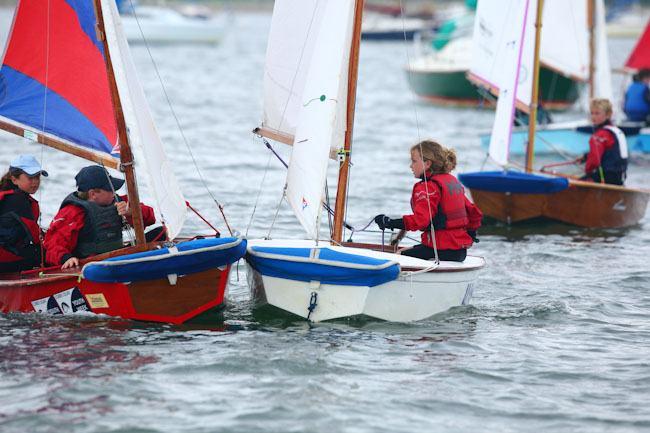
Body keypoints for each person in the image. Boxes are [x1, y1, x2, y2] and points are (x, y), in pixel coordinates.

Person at [373, 140, 482, 262]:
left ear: (427, 164)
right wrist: (470, 236)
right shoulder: (452, 182)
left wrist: (389, 222)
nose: (411, 166)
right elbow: (475, 214)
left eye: (414, 161)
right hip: (460, 252)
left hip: (440, 250)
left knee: (398, 257)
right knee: (405, 251)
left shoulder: (427, 187)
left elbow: (421, 221)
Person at [44, 165, 164, 269]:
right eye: (109, 189)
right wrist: (66, 259)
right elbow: (52, 245)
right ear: (93, 194)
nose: (114, 192)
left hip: (118, 257)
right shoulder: (72, 212)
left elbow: (151, 217)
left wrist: (131, 212)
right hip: (92, 265)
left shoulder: (119, 201)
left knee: (162, 232)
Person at [0, 155, 48, 273]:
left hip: (8, 250)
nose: (35, 182)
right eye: (30, 178)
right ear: (14, 179)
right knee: (47, 254)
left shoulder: (9, 194)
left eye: (37, 177)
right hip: (4, 257)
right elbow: (35, 234)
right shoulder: (17, 200)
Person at [580, 99, 628, 186]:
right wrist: (585, 156)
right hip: (619, 178)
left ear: (608, 115)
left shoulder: (599, 135)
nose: (593, 117)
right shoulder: (616, 131)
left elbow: (594, 159)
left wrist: (588, 172)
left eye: (597, 113)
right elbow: (609, 151)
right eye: (592, 113)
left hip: (604, 178)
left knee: (577, 182)